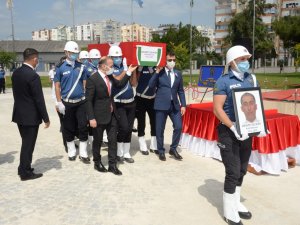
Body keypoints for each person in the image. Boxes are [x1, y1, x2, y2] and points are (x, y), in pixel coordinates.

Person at [213, 45, 260, 225]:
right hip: (228, 131)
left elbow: (256, 104)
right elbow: (217, 109)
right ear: (231, 61)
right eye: (242, 60)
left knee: (241, 170)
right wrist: (233, 127)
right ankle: (229, 212)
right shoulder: (223, 81)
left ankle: (236, 203)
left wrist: (260, 126)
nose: (246, 62)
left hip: (247, 130)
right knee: (232, 172)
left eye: (247, 59)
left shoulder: (251, 79)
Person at [86, 56, 137, 175]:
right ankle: (97, 162)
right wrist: (91, 118)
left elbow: (119, 84)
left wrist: (128, 72)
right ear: (104, 66)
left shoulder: (109, 76)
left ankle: (112, 165)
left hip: (112, 114)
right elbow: (88, 100)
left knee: (113, 140)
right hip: (98, 116)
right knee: (97, 141)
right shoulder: (93, 79)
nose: (113, 67)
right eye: (111, 65)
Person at [12, 48, 50, 181]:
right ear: (34, 59)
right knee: (28, 144)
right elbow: (39, 99)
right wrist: (46, 118)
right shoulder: (33, 76)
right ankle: (25, 172)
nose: (37, 61)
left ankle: (22, 167)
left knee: (25, 142)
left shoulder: (16, 73)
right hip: (30, 116)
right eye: (37, 59)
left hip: (19, 114)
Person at [54, 41, 90, 163]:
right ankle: (71, 151)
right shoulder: (60, 68)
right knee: (68, 128)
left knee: (83, 127)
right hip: (67, 103)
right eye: (72, 52)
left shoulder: (81, 67)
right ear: (66, 52)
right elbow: (57, 86)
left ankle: (83, 152)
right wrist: (59, 102)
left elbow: (85, 83)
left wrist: (86, 98)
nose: (74, 55)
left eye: (76, 53)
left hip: (80, 102)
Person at [148, 51, 186, 161]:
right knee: (160, 129)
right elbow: (151, 85)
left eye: (174, 60)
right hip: (161, 105)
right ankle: (161, 150)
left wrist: (183, 105)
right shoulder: (159, 73)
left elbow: (181, 91)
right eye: (169, 60)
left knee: (178, 127)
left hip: (174, 106)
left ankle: (173, 148)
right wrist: (156, 71)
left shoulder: (178, 73)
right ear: (165, 61)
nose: (172, 62)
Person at [109, 45, 137, 163]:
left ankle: (126, 152)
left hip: (131, 102)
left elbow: (134, 83)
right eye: (115, 57)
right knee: (123, 127)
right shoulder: (110, 69)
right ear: (110, 57)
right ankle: (119, 152)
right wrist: (126, 71)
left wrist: (133, 70)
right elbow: (117, 82)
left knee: (129, 129)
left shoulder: (126, 65)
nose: (118, 59)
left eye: (119, 56)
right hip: (118, 103)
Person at [136, 66, 158, 155]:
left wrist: (152, 69)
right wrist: (139, 69)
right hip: (140, 98)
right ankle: (142, 144)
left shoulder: (156, 67)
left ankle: (153, 145)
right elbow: (135, 82)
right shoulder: (139, 67)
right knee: (141, 122)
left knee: (154, 121)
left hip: (152, 98)